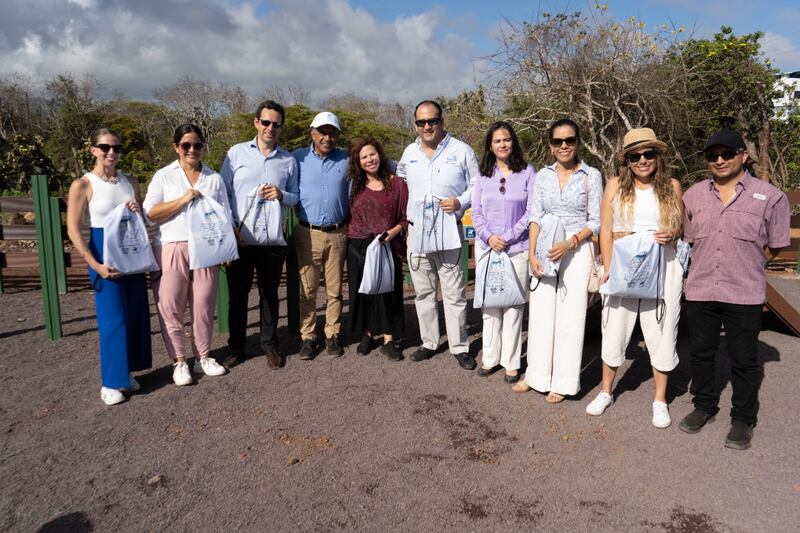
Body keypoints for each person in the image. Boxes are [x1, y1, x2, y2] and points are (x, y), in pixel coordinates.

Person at [678, 129, 790, 449]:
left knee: (743, 359)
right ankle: (703, 406)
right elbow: (688, 239)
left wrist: (750, 262)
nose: (720, 160)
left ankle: (742, 418)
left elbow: (777, 245)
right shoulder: (693, 195)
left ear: (744, 155)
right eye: (712, 155)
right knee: (701, 354)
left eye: (727, 153)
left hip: (744, 290)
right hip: (701, 289)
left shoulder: (769, 196)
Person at [584, 128, 684, 428]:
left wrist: (672, 233)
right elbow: (604, 229)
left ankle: (660, 400)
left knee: (662, 331)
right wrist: (609, 267)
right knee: (614, 328)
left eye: (648, 154)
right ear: (626, 160)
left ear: (657, 156)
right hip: (623, 265)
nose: (642, 160)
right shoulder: (615, 185)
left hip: (662, 266)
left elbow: (680, 229)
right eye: (635, 156)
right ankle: (605, 391)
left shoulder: (672, 186)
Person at [515, 118, 603, 402]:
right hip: (544, 249)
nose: (564, 146)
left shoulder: (591, 176)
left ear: (578, 142)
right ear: (551, 146)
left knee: (570, 318)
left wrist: (570, 242)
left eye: (569, 140)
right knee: (541, 315)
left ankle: (563, 382)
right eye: (558, 141)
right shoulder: (542, 176)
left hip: (576, 250)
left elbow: (597, 221)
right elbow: (535, 217)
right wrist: (531, 255)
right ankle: (536, 375)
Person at [66, 128, 152, 405]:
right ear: (93, 150)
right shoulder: (83, 184)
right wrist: (95, 265)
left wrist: (138, 211)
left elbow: (141, 218)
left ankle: (126, 373)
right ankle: (110, 382)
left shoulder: (130, 181)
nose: (111, 152)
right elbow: (73, 229)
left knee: (136, 313)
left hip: (130, 250)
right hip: (103, 252)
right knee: (113, 317)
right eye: (105, 148)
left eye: (116, 148)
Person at [143, 124, 229, 386]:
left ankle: (203, 356)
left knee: (203, 305)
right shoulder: (164, 176)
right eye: (186, 145)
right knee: (171, 307)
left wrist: (224, 247)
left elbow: (224, 214)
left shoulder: (214, 178)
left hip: (205, 248)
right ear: (176, 147)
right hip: (171, 245)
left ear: (204, 147)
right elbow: (151, 212)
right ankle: (179, 361)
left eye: (197, 145)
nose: (192, 150)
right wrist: (183, 199)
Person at [397, 100, 479, 370]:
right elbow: (400, 182)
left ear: (442, 121)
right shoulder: (409, 153)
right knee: (423, 292)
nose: (427, 126)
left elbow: (477, 186)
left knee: (454, 293)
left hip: (449, 232)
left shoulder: (461, 150)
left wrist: (460, 202)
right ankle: (429, 341)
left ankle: (459, 346)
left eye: (432, 121)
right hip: (418, 233)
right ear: (415, 124)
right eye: (421, 122)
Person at [220, 100, 299, 369]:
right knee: (238, 296)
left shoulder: (288, 160)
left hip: (271, 241)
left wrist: (282, 194)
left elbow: (295, 198)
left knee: (269, 295)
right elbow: (223, 194)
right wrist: (230, 227)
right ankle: (236, 347)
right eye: (266, 122)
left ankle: (269, 344)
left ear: (281, 127)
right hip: (240, 240)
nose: (270, 128)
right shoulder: (236, 154)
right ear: (256, 122)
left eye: (276, 124)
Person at [471, 121, 536, 383]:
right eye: (497, 141)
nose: (502, 144)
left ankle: (511, 362)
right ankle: (490, 358)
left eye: (506, 139)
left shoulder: (528, 172)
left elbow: (532, 211)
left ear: (513, 142)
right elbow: (475, 212)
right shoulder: (482, 174)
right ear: (490, 145)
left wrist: (507, 237)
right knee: (490, 306)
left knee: (512, 306)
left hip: (516, 249)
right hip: (488, 248)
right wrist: (489, 236)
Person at [292, 112, 350, 359]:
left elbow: (375, 163)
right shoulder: (298, 158)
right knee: (308, 290)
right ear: (312, 133)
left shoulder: (347, 158)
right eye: (323, 132)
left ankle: (332, 335)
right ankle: (308, 337)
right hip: (308, 232)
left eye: (332, 132)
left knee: (335, 290)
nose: (328, 137)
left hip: (338, 232)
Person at [346, 138, 409, 360]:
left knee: (388, 292)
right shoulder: (353, 185)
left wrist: (393, 232)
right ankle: (367, 334)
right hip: (358, 245)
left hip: (386, 243)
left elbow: (404, 217)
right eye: (363, 157)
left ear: (380, 155)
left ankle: (389, 339)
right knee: (364, 292)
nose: (369, 159)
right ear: (358, 162)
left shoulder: (397, 184)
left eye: (372, 154)